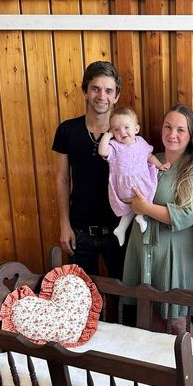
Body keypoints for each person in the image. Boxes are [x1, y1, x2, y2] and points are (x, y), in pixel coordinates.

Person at [122, 105, 193, 334]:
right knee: (150, 318)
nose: (172, 134)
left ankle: (191, 359)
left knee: (178, 321)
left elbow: (186, 215)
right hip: (142, 245)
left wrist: (145, 207)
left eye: (180, 130)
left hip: (174, 250)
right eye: (168, 127)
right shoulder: (147, 160)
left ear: (191, 135)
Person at [52, 61, 125, 277]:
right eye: (95, 88)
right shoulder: (67, 130)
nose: (102, 96)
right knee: (81, 293)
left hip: (119, 230)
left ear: (116, 96)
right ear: (85, 91)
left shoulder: (126, 134)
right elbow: (62, 179)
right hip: (79, 231)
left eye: (108, 90)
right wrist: (64, 224)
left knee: (124, 294)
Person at [98, 107, 170, 246]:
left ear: (136, 129)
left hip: (141, 181)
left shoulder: (141, 142)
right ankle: (140, 217)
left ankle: (125, 226)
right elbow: (102, 151)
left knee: (146, 198)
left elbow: (149, 156)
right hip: (125, 185)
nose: (122, 132)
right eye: (116, 129)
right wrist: (107, 136)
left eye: (126, 127)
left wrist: (160, 165)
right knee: (132, 203)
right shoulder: (114, 146)